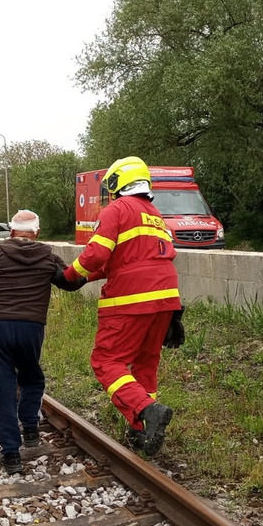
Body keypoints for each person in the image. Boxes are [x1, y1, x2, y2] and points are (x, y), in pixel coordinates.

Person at [62, 156, 181, 456]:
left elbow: (97, 253)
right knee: (145, 363)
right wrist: (85, 279)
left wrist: (69, 275)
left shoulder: (116, 209)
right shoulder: (154, 215)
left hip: (130, 300)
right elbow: (129, 259)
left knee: (106, 362)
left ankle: (146, 410)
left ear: (117, 184)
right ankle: (143, 432)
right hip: (165, 299)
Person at [0, 209, 86, 475]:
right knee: (32, 377)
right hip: (32, 328)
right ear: (37, 233)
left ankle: (11, 454)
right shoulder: (48, 255)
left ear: (11, 232)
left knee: (2, 389)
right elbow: (71, 282)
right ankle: (30, 426)